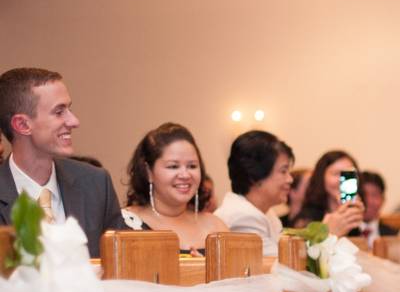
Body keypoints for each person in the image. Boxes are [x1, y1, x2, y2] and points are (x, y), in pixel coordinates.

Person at [0, 67, 125, 257]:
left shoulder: (95, 184)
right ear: (22, 125)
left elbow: (126, 261)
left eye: (69, 109)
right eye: (59, 112)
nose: (74, 121)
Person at [123, 122, 227, 255]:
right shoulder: (126, 224)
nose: (185, 175)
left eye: (192, 166)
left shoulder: (216, 227)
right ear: (148, 172)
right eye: (173, 166)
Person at [215, 130, 294, 256]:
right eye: (283, 171)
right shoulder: (242, 218)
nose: (290, 179)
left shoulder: (266, 213)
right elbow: (278, 268)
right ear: (255, 176)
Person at [291, 150, 365, 235]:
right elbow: (305, 246)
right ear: (321, 177)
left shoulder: (354, 212)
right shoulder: (307, 218)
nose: (342, 180)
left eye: (348, 175)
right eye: (336, 173)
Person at [357, 170, 400, 246]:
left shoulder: (395, 235)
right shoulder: (344, 234)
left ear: (383, 199)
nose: (368, 201)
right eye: (363, 195)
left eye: (374, 195)